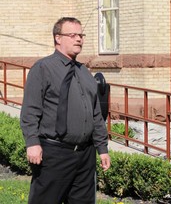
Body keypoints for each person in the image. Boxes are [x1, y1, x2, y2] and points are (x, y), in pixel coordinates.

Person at [20, 17, 111, 204]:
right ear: (58, 38)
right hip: (55, 153)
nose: (79, 39)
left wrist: (102, 148)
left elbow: (95, 114)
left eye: (81, 35)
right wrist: (32, 142)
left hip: (85, 155)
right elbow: (30, 110)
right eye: (72, 35)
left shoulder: (84, 72)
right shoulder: (43, 69)